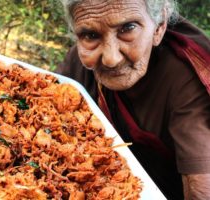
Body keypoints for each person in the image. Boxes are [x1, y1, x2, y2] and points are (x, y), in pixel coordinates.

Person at [57, 0, 210, 199]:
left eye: (127, 28)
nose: (111, 59)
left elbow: (201, 188)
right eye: (91, 35)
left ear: (159, 26)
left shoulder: (185, 76)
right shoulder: (78, 64)